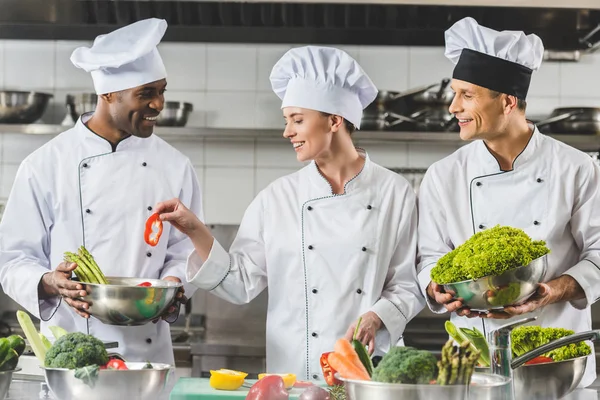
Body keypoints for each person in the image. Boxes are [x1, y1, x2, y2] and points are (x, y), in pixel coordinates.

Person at [153, 46, 425, 380]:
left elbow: (408, 285)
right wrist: (195, 230)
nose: (287, 132)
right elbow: (239, 283)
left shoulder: (394, 192)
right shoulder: (278, 198)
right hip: (295, 371)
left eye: (297, 120)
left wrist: (377, 316)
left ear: (335, 120)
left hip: (368, 370)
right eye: (287, 121)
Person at [0, 18, 202, 364]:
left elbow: (187, 250)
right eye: (146, 93)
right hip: (72, 345)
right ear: (109, 94)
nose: (159, 104)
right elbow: (12, 259)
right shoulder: (45, 164)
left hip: (148, 351)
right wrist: (49, 281)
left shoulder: (175, 165)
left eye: (162, 90)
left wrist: (172, 283)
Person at [417, 17, 600, 387]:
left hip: (555, 360)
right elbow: (430, 257)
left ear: (507, 101)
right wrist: (437, 288)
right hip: (473, 363)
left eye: (466, 94)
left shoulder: (576, 168)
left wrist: (550, 291)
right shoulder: (443, 175)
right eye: (455, 93)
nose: (453, 107)